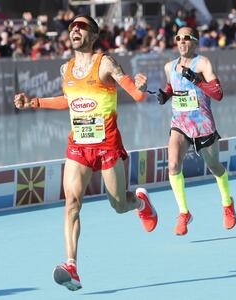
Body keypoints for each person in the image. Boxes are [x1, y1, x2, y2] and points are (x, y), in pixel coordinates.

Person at [14, 15, 157, 291]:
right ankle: (72, 266)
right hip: (78, 146)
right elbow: (67, 101)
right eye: (72, 27)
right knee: (71, 203)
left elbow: (136, 95)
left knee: (118, 205)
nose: (75, 30)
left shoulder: (105, 62)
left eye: (82, 27)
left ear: (93, 35)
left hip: (107, 145)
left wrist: (139, 87)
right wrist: (34, 102)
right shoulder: (65, 68)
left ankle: (140, 203)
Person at [156, 26, 236, 236]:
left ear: (195, 41)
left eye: (187, 38)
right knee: (173, 165)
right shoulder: (169, 66)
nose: (181, 41)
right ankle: (184, 213)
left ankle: (227, 203)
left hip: (202, 124)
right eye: (178, 38)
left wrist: (196, 80)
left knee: (214, 167)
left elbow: (218, 94)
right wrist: (164, 96)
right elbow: (171, 88)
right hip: (180, 124)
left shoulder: (203, 63)